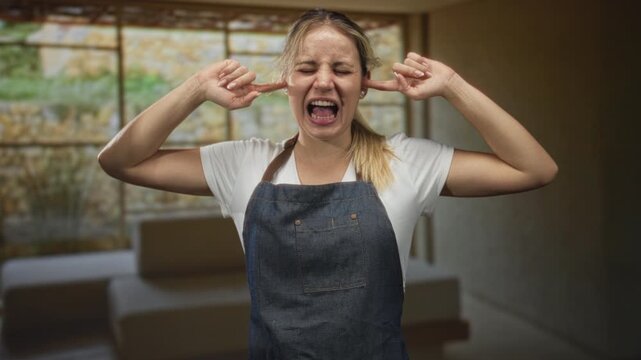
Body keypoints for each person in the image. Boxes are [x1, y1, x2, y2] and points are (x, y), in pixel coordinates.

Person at [98, 8, 557, 359]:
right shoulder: (244, 164)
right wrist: (196, 87)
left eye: (341, 69)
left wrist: (453, 84)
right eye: (306, 68)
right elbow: (120, 161)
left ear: (363, 85)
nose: (324, 81)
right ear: (287, 82)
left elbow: (534, 169)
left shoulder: (405, 161)